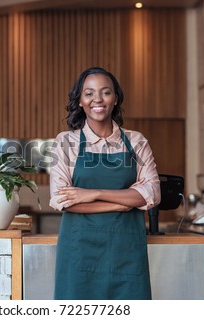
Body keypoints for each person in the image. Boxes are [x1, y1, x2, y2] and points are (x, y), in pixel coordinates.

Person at [49, 67, 161, 300]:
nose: (97, 99)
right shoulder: (65, 142)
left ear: (116, 98)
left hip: (126, 254)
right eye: (89, 93)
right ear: (80, 101)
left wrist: (91, 194)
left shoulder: (136, 141)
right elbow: (63, 200)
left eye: (105, 92)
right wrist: (123, 202)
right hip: (79, 254)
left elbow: (151, 193)